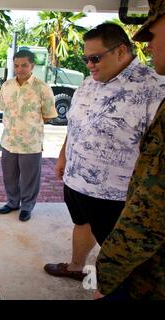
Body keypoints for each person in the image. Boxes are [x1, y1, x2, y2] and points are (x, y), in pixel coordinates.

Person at [43, 23, 165, 281]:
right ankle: (76, 266)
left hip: (116, 195)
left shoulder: (154, 87)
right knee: (81, 223)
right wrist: (64, 155)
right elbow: (75, 125)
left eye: (95, 58)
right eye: (85, 59)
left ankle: (113, 283)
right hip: (76, 181)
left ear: (121, 51)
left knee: (120, 253)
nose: (89, 65)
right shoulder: (88, 83)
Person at [95, 0, 165, 300]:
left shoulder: (151, 85)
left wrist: (107, 273)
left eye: (153, 35)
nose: (148, 47)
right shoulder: (90, 84)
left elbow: (153, 210)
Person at [0, 50, 57, 221]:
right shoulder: (7, 86)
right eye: (16, 65)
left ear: (32, 66)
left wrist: (29, 127)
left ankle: (27, 206)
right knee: (9, 176)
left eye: (24, 65)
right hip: (8, 141)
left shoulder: (42, 88)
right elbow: (4, 109)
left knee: (30, 178)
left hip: (31, 143)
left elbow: (47, 115)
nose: (20, 69)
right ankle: (12, 202)